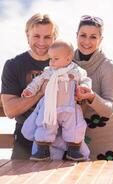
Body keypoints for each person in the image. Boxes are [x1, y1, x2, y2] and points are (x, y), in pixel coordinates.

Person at [73, 15, 113, 182]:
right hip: (78, 139)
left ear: (101, 39)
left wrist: (91, 96)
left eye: (93, 37)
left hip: (108, 138)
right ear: (76, 35)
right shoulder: (66, 61)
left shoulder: (108, 66)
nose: (87, 41)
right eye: (83, 35)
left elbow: (109, 108)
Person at [21, 40, 92, 161]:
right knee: (45, 124)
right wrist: (30, 90)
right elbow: (38, 81)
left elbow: (85, 79)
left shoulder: (76, 71)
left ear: (68, 59)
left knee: (75, 125)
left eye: (55, 58)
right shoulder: (49, 71)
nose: (51, 62)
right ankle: (42, 150)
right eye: (50, 58)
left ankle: (73, 150)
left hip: (70, 107)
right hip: (50, 108)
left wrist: (85, 88)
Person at [1, 13, 58, 159]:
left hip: (59, 136)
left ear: (55, 38)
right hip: (24, 137)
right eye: (36, 36)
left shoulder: (66, 65)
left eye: (47, 37)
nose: (41, 42)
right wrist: (40, 93)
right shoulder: (13, 65)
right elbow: (10, 110)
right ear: (27, 35)